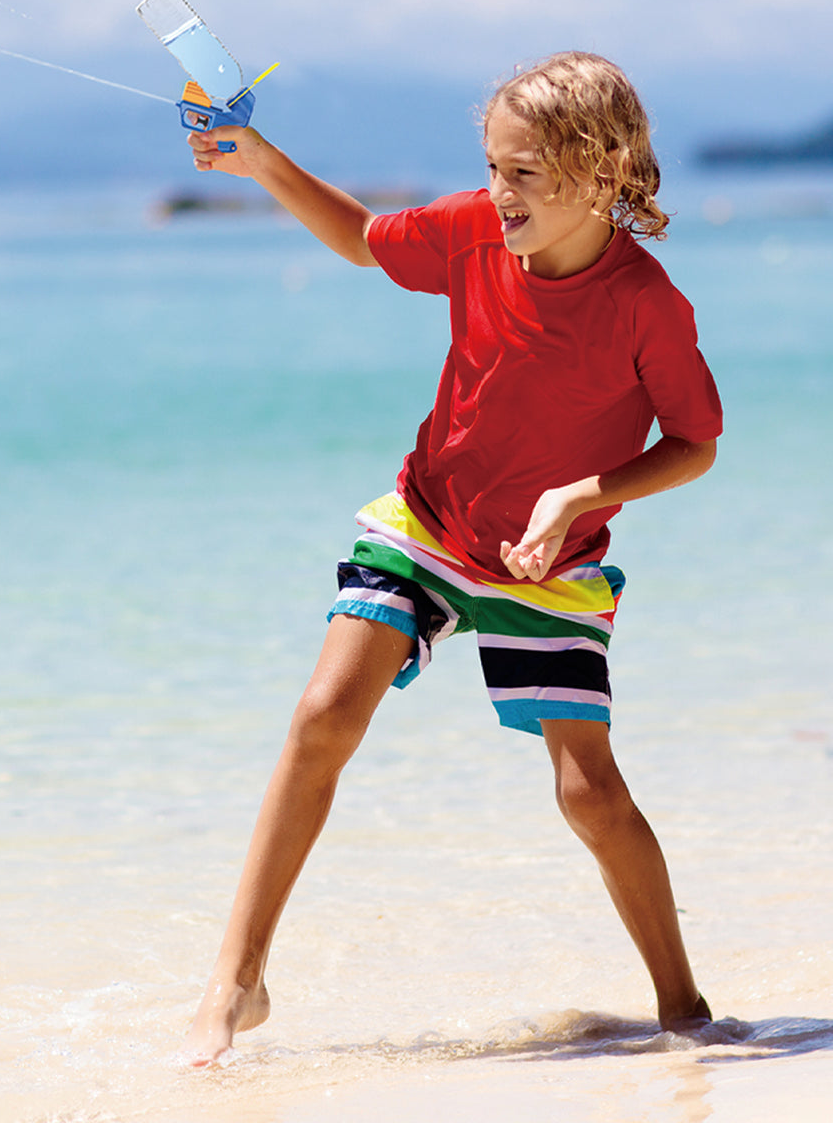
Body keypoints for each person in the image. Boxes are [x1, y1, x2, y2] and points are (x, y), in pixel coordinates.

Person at [180, 51, 722, 1066]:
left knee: (589, 795)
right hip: (431, 520)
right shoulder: (471, 230)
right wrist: (261, 161)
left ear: (601, 174)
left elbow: (697, 444)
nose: (496, 193)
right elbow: (358, 240)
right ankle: (235, 981)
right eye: (491, 167)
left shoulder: (648, 304)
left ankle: (684, 1007)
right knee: (323, 715)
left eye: (521, 173)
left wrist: (582, 495)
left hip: (549, 565)